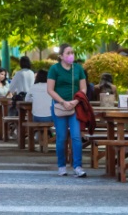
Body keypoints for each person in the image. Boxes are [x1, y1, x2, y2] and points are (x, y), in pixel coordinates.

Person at [46, 43, 88, 178]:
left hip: (75, 107)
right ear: (61, 56)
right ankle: (62, 166)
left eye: (72, 52)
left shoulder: (78, 69)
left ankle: (77, 166)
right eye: (68, 53)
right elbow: (50, 89)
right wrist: (63, 102)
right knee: (61, 137)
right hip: (59, 106)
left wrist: (75, 101)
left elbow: (83, 89)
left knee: (76, 136)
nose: (71, 55)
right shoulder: (54, 69)